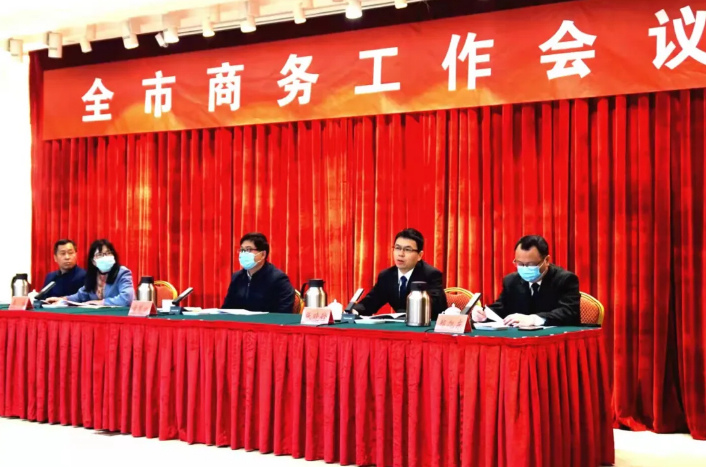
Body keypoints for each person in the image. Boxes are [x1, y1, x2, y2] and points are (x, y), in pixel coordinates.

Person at [472, 235, 580, 326]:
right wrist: (483, 314)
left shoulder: (565, 280)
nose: (524, 268)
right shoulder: (511, 281)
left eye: (530, 264)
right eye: (520, 263)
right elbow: (501, 308)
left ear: (546, 260)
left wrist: (534, 319)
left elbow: (569, 312)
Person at [353, 228, 446, 319]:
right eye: (397, 248)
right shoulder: (386, 276)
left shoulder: (431, 274)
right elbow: (371, 302)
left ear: (419, 255)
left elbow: (434, 307)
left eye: (407, 250)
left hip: (426, 325)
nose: (401, 254)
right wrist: (354, 311)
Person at [46, 239, 135, 307]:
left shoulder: (122, 272)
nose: (105, 257)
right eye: (100, 255)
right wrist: (62, 299)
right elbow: (80, 296)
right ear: (93, 261)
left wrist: (100, 303)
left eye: (108, 253)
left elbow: (127, 298)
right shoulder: (93, 276)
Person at [221, 233, 295, 313]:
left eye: (248, 250)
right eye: (242, 250)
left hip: (267, 320)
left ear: (263, 254)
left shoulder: (278, 279)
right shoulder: (237, 277)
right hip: (239, 321)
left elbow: (284, 311)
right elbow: (227, 308)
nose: (243, 253)